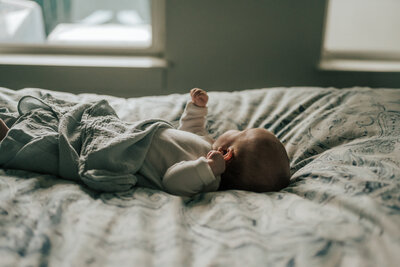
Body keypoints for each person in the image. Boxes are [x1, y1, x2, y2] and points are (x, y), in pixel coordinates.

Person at [0, 88, 290, 196]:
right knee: (66, 126)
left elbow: (171, 181)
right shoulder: (206, 144)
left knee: (54, 148)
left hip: (121, 154)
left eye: (238, 134)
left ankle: (7, 137)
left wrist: (205, 169)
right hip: (127, 134)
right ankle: (14, 123)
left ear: (228, 154)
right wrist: (197, 109)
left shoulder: (206, 179)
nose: (233, 129)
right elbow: (190, 129)